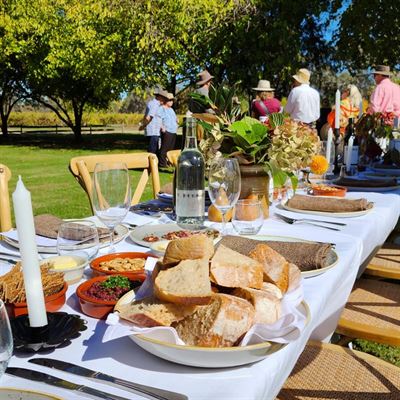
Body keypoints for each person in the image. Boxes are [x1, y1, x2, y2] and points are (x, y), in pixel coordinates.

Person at [140, 88, 167, 154]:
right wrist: (143, 125)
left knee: (153, 150)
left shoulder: (153, 103)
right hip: (153, 131)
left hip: (153, 131)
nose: (164, 100)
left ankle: (152, 163)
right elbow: (149, 117)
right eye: (164, 98)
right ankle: (151, 164)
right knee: (152, 151)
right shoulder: (155, 104)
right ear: (159, 97)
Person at [158, 93, 178, 168]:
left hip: (173, 131)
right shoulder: (161, 108)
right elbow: (158, 119)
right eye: (170, 100)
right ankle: (162, 164)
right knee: (164, 148)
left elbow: (174, 118)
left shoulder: (171, 110)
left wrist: (176, 119)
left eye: (172, 100)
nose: (172, 102)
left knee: (171, 149)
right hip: (167, 131)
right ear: (166, 101)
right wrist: (162, 127)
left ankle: (169, 162)